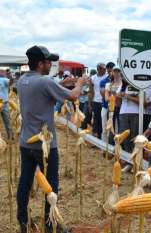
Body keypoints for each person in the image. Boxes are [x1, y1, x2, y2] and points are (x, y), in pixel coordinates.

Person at [16, 45, 88, 233]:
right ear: (40, 64)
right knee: (51, 185)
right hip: (45, 145)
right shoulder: (45, 82)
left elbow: (43, 90)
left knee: (25, 182)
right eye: (48, 61)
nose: (51, 64)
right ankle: (51, 225)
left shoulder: (22, 81)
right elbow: (73, 96)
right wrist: (80, 83)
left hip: (26, 142)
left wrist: (63, 84)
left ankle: (23, 222)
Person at [90, 63, 107, 139]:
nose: (105, 70)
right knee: (96, 119)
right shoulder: (93, 78)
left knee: (102, 120)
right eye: (103, 69)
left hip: (104, 101)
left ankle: (101, 138)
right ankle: (97, 137)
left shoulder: (107, 77)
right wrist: (90, 104)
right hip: (96, 101)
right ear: (98, 69)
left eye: (105, 69)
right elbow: (91, 92)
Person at [100, 62, 115, 142]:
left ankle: (113, 148)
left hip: (115, 109)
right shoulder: (103, 82)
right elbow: (103, 95)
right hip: (106, 107)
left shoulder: (119, 82)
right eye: (109, 71)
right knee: (104, 128)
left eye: (113, 71)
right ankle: (104, 147)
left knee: (113, 129)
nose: (111, 73)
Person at [0, 69, 12, 139]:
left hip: (3, 103)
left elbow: (11, 82)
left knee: (7, 121)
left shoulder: (4, 79)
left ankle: (10, 136)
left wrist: (9, 76)